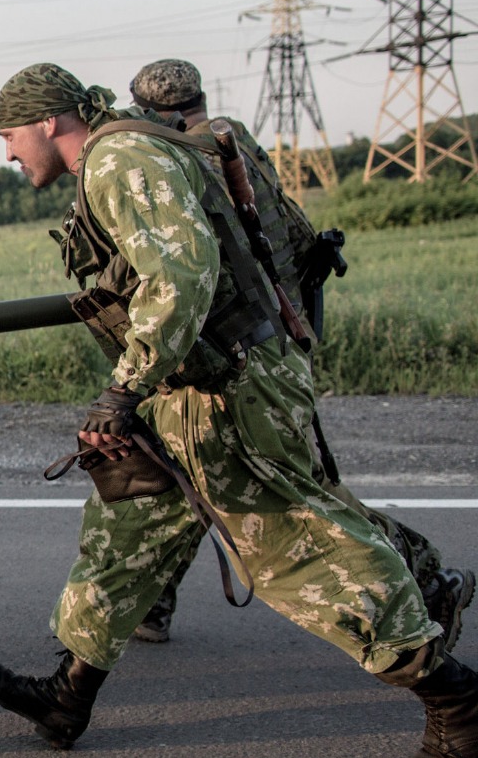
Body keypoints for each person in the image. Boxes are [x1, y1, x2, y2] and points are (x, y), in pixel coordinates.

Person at [0, 64, 476, 758]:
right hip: (195, 381)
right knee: (132, 523)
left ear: (49, 122)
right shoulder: (130, 152)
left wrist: (123, 390)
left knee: (292, 543)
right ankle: (67, 696)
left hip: (226, 387)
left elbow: (180, 275)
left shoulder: (118, 159)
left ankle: (453, 696)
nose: (10, 154)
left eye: (11, 136)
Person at [122, 58, 473, 650]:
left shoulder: (186, 160)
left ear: (152, 112)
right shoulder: (236, 140)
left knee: (295, 495)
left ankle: (425, 574)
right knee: (192, 474)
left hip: (245, 354)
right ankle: (153, 600)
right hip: (277, 338)